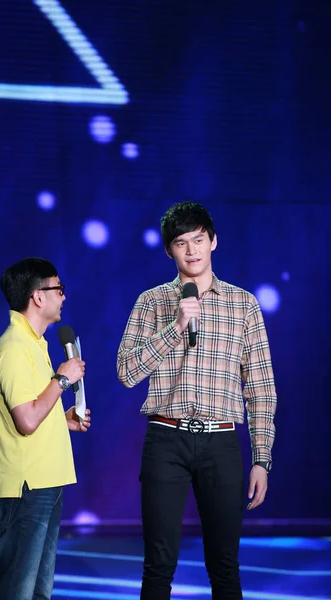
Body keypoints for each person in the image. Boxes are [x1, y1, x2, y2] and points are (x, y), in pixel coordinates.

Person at [117, 202, 277, 600]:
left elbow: (260, 388)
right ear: (169, 251)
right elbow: (126, 372)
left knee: (225, 566)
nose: (191, 250)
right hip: (166, 439)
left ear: (214, 241)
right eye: (181, 243)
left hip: (220, 442)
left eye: (199, 240)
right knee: (158, 565)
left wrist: (261, 458)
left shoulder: (244, 305)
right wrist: (176, 327)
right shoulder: (152, 302)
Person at [0, 257, 91, 600]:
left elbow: (34, 410)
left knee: (37, 592)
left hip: (47, 480)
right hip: (26, 485)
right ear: (37, 296)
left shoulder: (35, 344)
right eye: (58, 289)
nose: (63, 296)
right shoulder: (14, 348)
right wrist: (62, 379)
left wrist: (62, 420)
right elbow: (27, 420)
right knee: (17, 591)